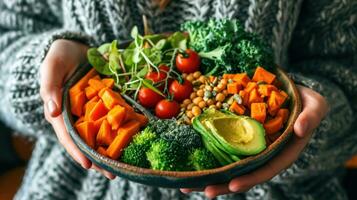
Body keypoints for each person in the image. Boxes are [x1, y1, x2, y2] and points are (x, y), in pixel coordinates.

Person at [0, 0, 356, 199]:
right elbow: (7, 36)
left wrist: (304, 126)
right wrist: (47, 79)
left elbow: (347, 73)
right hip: (72, 188)